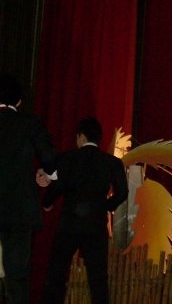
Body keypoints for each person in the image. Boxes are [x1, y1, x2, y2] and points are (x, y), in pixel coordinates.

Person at [41, 116, 128, 304]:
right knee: (98, 279)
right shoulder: (112, 162)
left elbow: (57, 186)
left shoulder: (67, 158)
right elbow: (122, 193)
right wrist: (105, 207)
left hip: (69, 223)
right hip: (96, 225)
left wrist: (47, 203)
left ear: (81, 136)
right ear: (98, 138)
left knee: (57, 274)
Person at [0, 73, 57, 304]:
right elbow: (49, 157)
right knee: (17, 277)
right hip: (19, 211)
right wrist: (48, 175)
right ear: (19, 101)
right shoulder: (30, 123)